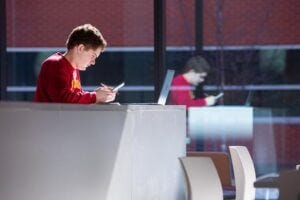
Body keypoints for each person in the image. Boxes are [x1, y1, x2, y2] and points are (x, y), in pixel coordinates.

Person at [34, 24, 116, 104]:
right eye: (93, 56)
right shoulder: (54, 64)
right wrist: (95, 96)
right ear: (80, 48)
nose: (93, 62)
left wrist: (99, 97)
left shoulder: (73, 69)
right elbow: (63, 100)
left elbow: (75, 99)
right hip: (47, 117)